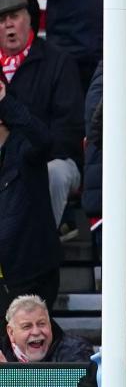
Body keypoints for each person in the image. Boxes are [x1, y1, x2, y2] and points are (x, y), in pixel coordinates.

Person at [0, 0, 84, 227]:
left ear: (29, 21)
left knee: (54, 173)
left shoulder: (58, 62)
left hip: (52, 159)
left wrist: (25, 159)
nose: (8, 24)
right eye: (1, 20)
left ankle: (40, 248)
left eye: (14, 16)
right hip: (5, 163)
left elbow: (68, 132)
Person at [0, 72, 62, 318]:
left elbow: (44, 140)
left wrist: (5, 102)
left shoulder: (25, 148)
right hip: (5, 276)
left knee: (32, 342)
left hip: (31, 273)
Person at [2, 294, 92, 364]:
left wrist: (6, 376)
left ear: (50, 325)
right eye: (27, 326)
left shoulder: (75, 350)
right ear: (11, 332)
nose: (36, 332)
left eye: (41, 324)